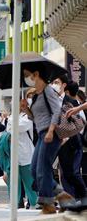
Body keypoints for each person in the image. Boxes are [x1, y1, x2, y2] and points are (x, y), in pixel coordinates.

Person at [23, 64, 73, 214]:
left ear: (36, 74)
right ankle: (62, 195)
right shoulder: (37, 95)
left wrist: (51, 131)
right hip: (42, 134)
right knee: (34, 170)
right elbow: (36, 118)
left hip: (50, 134)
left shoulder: (47, 90)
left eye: (28, 74)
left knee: (42, 169)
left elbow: (57, 111)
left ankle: (48, 204)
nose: (26, 78)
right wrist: (26, 109)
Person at [52, 77, 86, 206]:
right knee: (62, 174)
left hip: (72, 143)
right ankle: (67, 201)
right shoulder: (50, 102)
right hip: (57, 143)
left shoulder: (71, 101)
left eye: (57, 82)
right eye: (53, 83)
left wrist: (70, 135)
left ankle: (82, 198)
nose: (54, 85)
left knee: (72, 174)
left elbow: (82, 121)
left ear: (63, 85)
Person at [0, 97, 38, 208]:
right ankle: (14, 202)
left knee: (28, 180)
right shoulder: (11, 117)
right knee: (13, 180)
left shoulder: (28, 117)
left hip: (26, 154)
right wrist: (11, 123)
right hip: (12, 153)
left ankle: (34, 202)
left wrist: (11, 124)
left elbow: (19, 127)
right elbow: (9, 129)